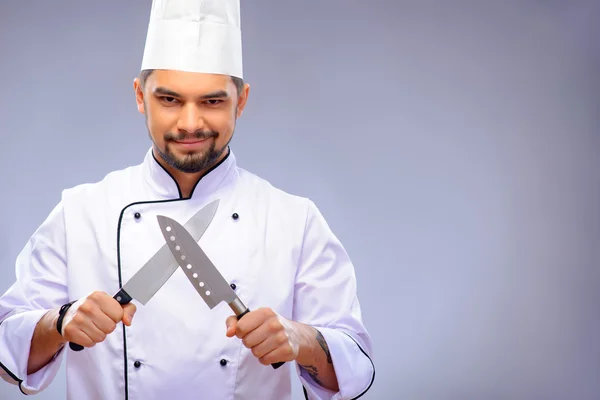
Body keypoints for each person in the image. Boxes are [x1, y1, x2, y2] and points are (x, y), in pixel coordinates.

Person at [0, 0, 375, 399]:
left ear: (242, 101)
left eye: (212, 101)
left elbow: (355, 367)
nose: (191, 123)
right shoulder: (80, 213)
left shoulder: (293, 219)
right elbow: (8, 346)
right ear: (140, 97)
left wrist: (302, 339)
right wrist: (60, 322)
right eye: (170, 100)